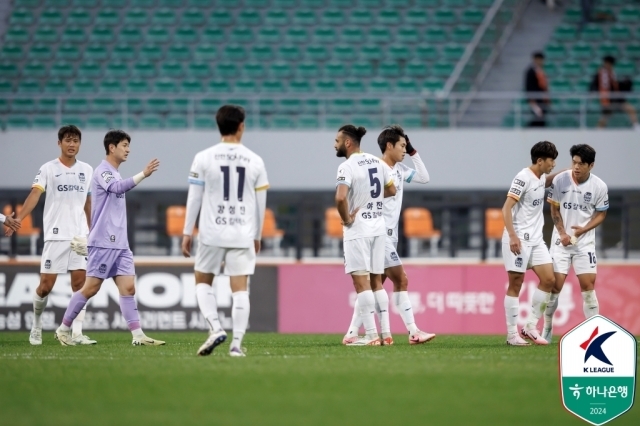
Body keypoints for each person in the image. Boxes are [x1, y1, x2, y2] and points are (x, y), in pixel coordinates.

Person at [54, 130, 164, 346]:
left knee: (128, 288)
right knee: (90, 288)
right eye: (124, 145)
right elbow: (116, 188)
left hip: (120, 244)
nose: (128, 149)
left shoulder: (115, 172)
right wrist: (142, 174)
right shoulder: (103, 171)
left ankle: (138, 336)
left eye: (128, 145)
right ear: (111, 147)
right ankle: (63, 329)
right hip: (104, 241)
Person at [182, 105, 268, 358]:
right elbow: (261, 203)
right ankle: (236, 345)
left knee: (202, 281)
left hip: (211, 232)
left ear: (219, 126)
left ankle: (215, 328)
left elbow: (194, 198)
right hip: (243, 232)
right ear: (241, 126)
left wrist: (187, 232)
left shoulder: (204, 157)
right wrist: (258, 235)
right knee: (240, 289)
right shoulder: (255, 159)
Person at [342, 126, 436, 346]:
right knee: (400, 279)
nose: (405, 150)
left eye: (406, 146)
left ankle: (352, 332)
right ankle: (413, 331)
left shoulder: (401, 169)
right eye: (402, 146)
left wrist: (413, 151)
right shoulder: (375, 168)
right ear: (389, 146)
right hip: (378, 233)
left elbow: (424, 177)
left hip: (390, 236)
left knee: (375, 285)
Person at [5, 125, 96, 346]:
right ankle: (36, 326)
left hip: (79, 236)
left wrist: (92, 229)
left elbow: (88, 201)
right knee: (46, 286)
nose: (72, 144)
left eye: (76, 141)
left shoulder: (87, 169)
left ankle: (76, 332)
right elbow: (35, 194)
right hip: (55, 235)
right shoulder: (48, 168)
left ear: (80, 144)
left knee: (80, 285)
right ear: (59, 143)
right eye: (68, 140)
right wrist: (20, 218)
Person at [335, 124, 396, 347]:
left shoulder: (347, 166)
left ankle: (371, 335)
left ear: (348, 142)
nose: (335, 144)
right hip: (378, 228)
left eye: (337, 140)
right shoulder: (376, 161)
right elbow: (391, 190)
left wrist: (347, 219)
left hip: (358, 230)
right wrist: (373, 200)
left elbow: (341, 198)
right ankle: (386, 334)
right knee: (377, 282)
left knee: (361, 284)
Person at [543, 144, 608, 342]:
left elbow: (601, 213)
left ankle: (595, 332)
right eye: (574, 162)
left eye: (581, 164)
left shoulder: (599, 186)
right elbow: (554, 210)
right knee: (555, 285)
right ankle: (547, 327)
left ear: (591, 165)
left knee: (588, 286)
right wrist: (562, 233)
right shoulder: (560, 180)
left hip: (584, 243)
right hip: (560, 242)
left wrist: (583, 230)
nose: (576, 167)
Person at [502, 141, 559, 346]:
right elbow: (506, 208)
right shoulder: (522, 177)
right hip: (518, 238)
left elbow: (547, 180)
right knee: (516, 284)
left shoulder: (540, 176)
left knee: (549, 279)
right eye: (551, 160)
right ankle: (511, 335)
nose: (553, 164)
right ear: (540, 160)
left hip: (536, 240)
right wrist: (513, 235)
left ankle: (530, 326)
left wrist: (567, 172)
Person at [594, 56, 640, 130]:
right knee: (606, 116)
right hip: (609, 100)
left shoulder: (611, 72)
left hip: (614, 99)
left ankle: (636, 126)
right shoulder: (604, 74)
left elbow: (614, 85)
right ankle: (598, 131)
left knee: (630, 109)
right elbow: (605, 87)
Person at [524, 52, 550, 127]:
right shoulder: (530, 71)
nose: (541, 62)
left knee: (541, 119)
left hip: (542, 99)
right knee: (538, 117)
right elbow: (529, 87)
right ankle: (528, 132)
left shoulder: (540, 71)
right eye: (539, 60)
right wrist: (531, 100)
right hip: (535, 100)